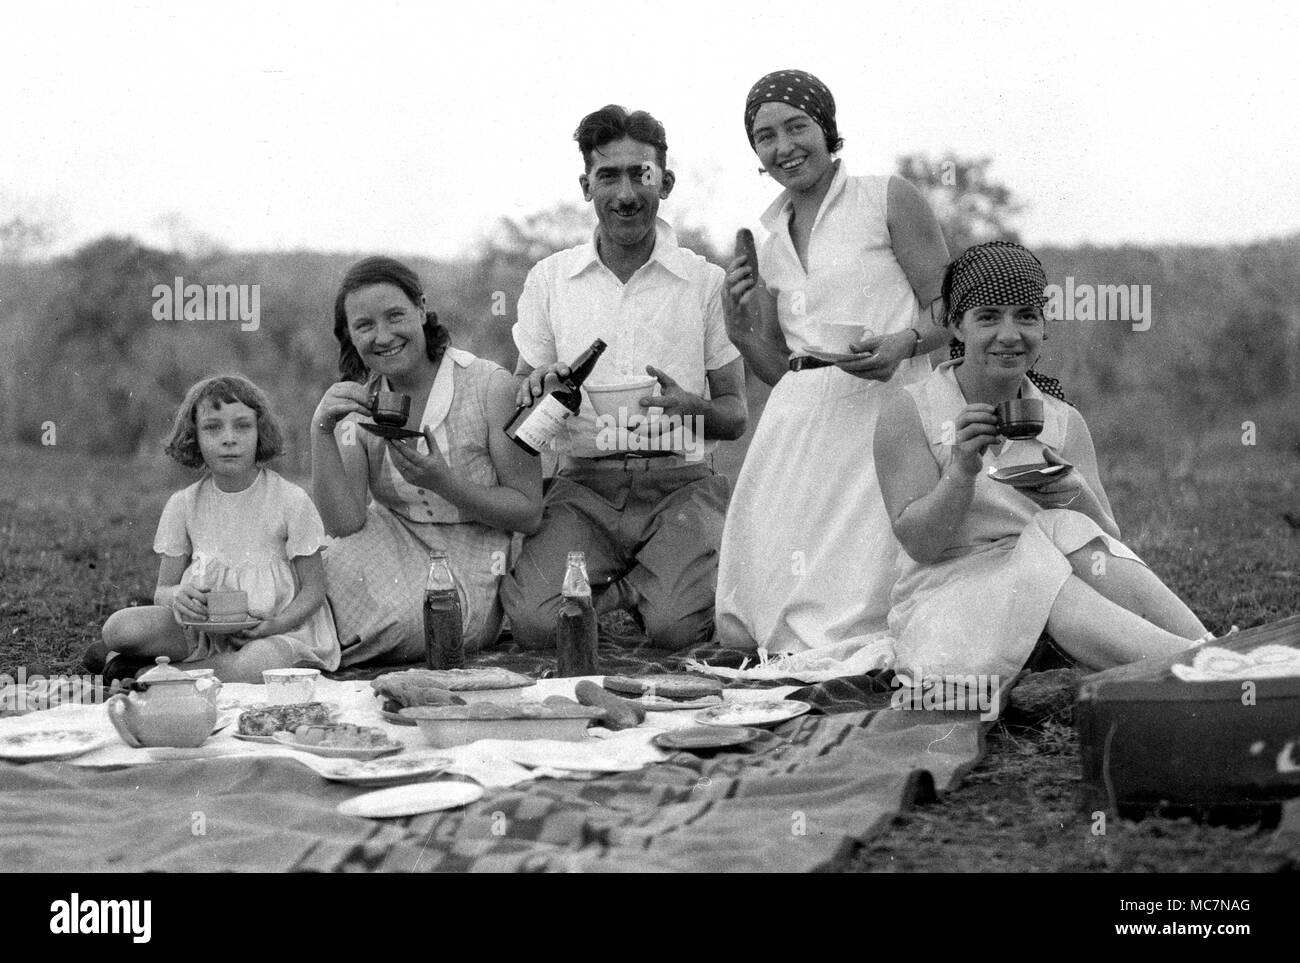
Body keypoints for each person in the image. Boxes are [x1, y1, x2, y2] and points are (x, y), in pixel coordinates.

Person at [874, 241, 1209, 680]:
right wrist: (961, 470)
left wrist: (1075, 493)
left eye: (1026, 316)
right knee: (1039, 578)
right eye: (988, 316)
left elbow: (1105, 545)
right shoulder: (912, 409)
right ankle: (1203, 664)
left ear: (1043, 325)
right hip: (947, 602)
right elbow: (920, 545)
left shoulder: (1061, 419)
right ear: (957, 326)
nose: (1010, 335)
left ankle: (1211, 647)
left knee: (1062, 530)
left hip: (1044, 584)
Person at [715, 69, 951, 654]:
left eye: (798, 127)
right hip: (797, 422)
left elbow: (950, 306)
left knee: (861, 596)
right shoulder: (770, 241)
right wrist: (740, 331)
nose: (784, 147)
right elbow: (780, 366)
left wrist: (901, 344)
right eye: (766, 137)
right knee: (751, 608)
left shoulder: (887, 197)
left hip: (887, 405)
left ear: (828, 128)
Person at [500, 104, 748, 651]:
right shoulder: (550, 279)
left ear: (666, 182)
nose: (626, 193)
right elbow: (521, 402)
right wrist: (539, 386)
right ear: (586, 185)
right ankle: (635, 590)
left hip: (680, 484)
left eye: (641, 174)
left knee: (679, 630)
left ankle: (638, 591)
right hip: (583, 486)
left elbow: (735, 415)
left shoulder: (705, 282)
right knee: (540, 625)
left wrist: (694, 408)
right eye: (608, 176)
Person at [311, 257, 542, 666]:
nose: (382, 337)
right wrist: (322, 432)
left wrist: (446, 484)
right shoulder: (362, 400)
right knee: (308, 580)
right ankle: (274, 648)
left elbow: (528, 513)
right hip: (388, 545)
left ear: (421, 309)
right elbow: (344, 524)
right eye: (364, 325)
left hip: (470, 558)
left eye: (395, 316)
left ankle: (300, 652)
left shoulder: (489, 385)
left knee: (414, 620)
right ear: (349, 334)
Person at [97, 375, 340, 683]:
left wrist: (275, 625)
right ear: (194, 436)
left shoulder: (290, 499)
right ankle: (197, 663)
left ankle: (148, 673)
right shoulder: (183, 504)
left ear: (259, 432)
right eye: (213, 427)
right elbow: (163, 590)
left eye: (242, 426)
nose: (229, 438)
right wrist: (177, 597)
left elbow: (315, 590)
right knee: (118, 628)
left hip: (280, 631)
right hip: (204, 631)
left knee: (258, 663)